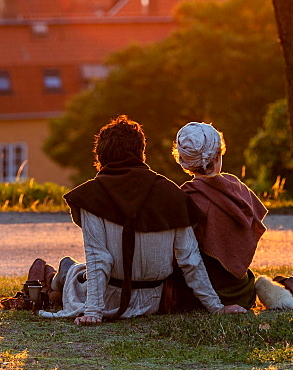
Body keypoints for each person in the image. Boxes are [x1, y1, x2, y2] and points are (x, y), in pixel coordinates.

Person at [39, 115, 247, 323]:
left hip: (109, 301)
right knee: (76, 271)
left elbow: (98, 259)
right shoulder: (172, 194)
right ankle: (54, 282)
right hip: (153, 303)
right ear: (141, 153)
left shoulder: (91, 195)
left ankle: (50, 279)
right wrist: (216, 307)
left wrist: (93, 312)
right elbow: (190, 260)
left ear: (100, 157)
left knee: (73, 270)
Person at [173, 121, 293, 311]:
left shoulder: (185, 198)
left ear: (184, 162)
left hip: (199, 298)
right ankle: (262, 288)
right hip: (242, 293)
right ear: (217, 156)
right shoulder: (236, 188)